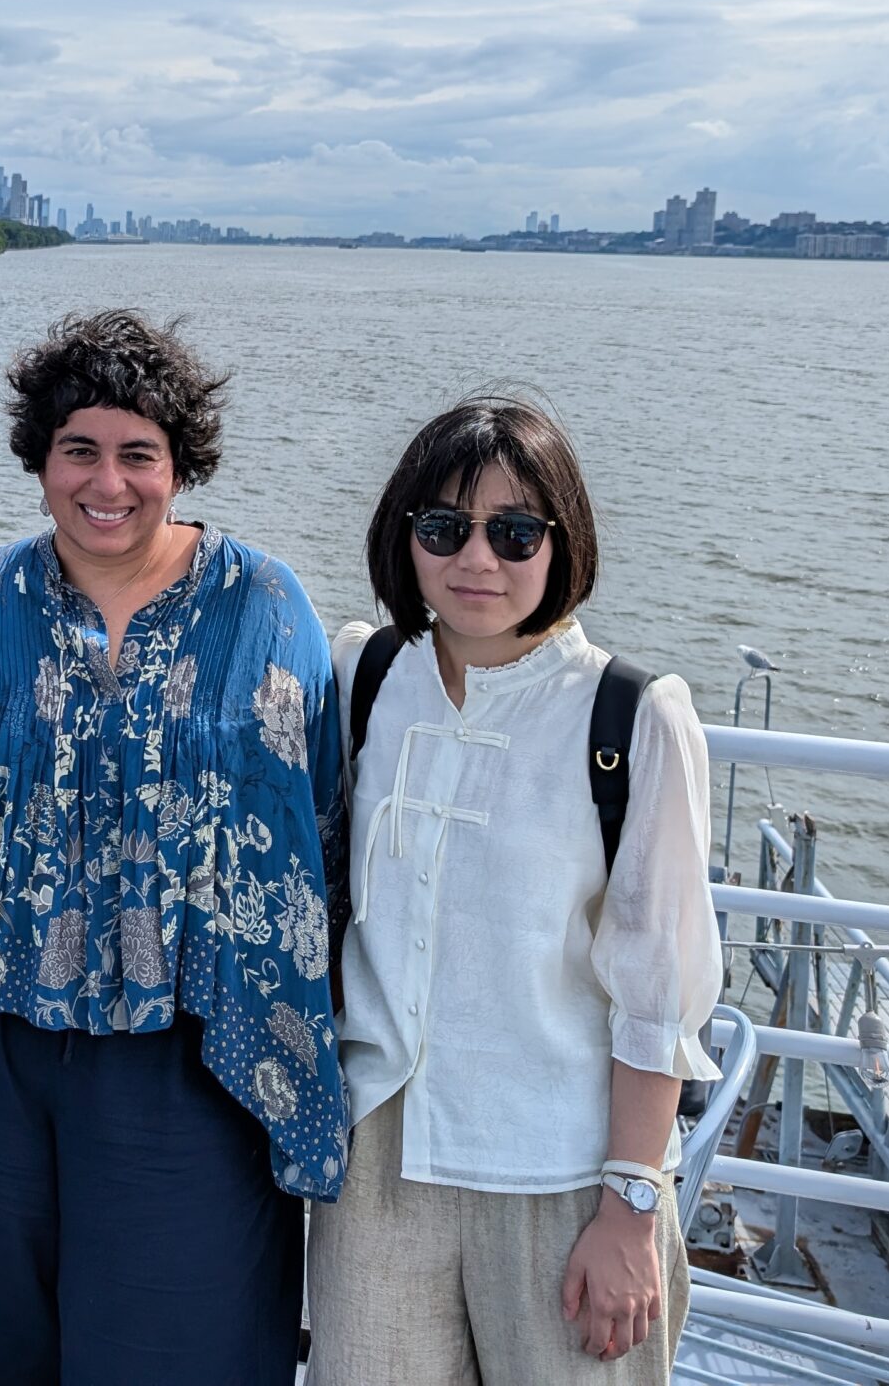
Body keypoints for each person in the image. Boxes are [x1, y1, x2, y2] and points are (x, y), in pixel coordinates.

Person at [0, 308, 346, 1386]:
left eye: (137, 453)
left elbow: (319, 840)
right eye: (79, 449)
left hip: (191, 1057)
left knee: (177, 1348)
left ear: (179, 463)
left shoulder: (267, 608)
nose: (107, 482)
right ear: (41, 457)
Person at [305, 397, 722, 1384]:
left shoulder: (630, 714)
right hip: (379, 1160)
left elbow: (658, 987)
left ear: (560, 540)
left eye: (514, 530)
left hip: (562, 1167)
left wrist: (629, 1204)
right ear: (404, 536)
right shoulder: (365, 674)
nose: (476, 559)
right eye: (443, 527)